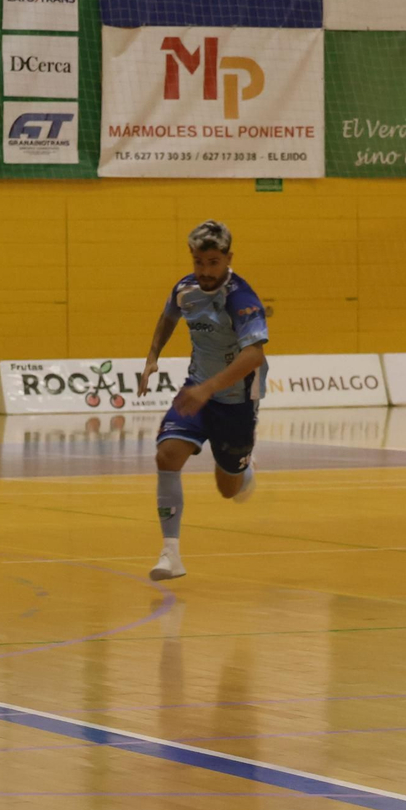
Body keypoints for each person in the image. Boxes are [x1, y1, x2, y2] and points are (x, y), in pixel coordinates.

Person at [140, 221, 267, 581]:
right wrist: (152, 356)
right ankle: (170, 554)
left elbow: (254, 356)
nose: (205, 271)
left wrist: (208, 390)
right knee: (167, 454)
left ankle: (242, 471)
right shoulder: (186, 288)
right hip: (197, 388)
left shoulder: (242, 299)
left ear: (228, 258)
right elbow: (168, 317)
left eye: (213, 262)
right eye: (199, 262)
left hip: (235, 400)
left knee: (228, 489)